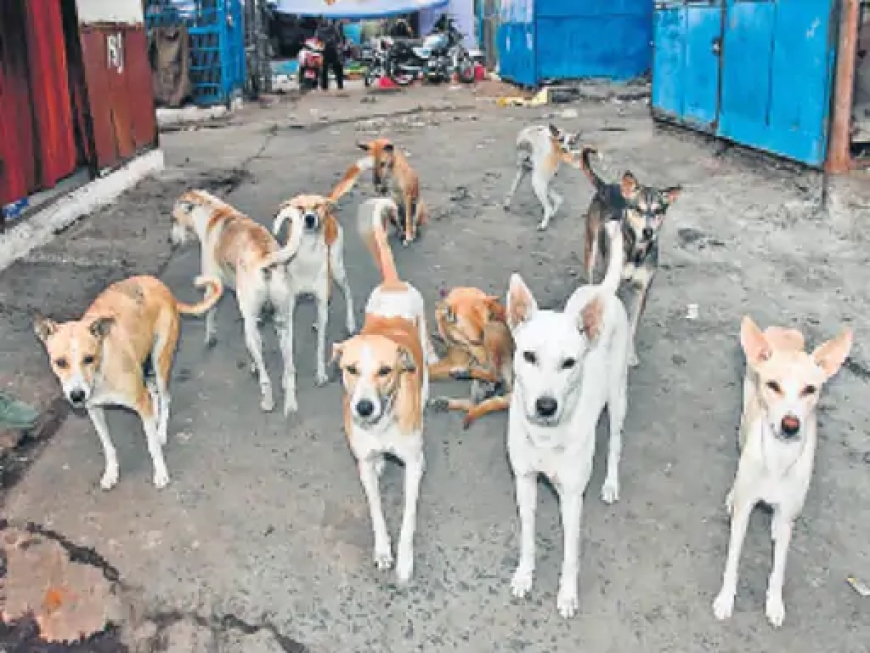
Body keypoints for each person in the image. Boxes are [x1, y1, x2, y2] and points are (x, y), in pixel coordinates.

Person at [315, 16, 344, 91]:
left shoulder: (318, 30)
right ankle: (339, 85)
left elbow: (316, 41)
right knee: (337, 68)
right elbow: (338, 39)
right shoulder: (332, 28)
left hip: (325, 51)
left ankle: (325, 87)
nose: (324, 21)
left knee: (325, 69)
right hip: (330, 50)